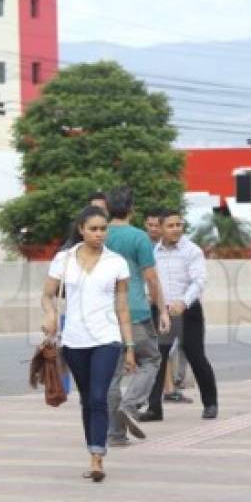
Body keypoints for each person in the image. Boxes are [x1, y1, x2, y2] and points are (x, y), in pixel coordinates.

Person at [41, 206, 136, 482]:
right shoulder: (64, 259)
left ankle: (97, 458)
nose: (99, 234)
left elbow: (122, 307)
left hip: (107, 338)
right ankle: (92, 448)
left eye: (103, 229)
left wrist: (129, 346)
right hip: (74, 341)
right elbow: (47, 295)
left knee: (98, 397)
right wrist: (50, 315)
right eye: (93, 229)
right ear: (81, 229)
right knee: (86, 400)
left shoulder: (116, 262)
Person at [104, 189, 170, 447]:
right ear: (131, 208)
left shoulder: (99, 235)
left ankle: (116, 435)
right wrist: (162, 309)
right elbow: (151, 278)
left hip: (105, 313)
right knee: (151, 359)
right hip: (136, 312)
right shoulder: (139, 237)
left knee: (113, 374)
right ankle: (130, 406)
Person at [141, 209, 220, 421]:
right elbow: (148, 279)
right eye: (170, 225)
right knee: (158, 358)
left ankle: (210, 403)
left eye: (179, 224)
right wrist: (151, 297)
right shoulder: (153, 253)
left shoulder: (192, 251)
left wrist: (183, 302)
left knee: (196, 356)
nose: (176, 229)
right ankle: (154, 408)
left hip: (188, 311)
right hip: (161, 310)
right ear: (160, 228)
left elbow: (199, 281)